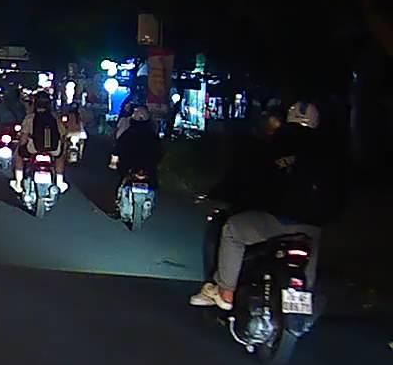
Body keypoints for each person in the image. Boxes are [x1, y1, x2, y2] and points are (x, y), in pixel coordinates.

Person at [189, 100, 343, 311]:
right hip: (314, 226)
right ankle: (304, 297)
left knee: (233, 231)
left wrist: (220, 194)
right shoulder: (329, 152)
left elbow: (248, 177)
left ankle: (225, 291)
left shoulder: (277, 143)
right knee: (311, 247)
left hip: (277, 221)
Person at [12, 91, 68, 193]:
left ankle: (18, 183)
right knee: (60, 157)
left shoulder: (30, 117)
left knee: (18, 156)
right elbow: (63, 134)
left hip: (33, 148)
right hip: (53, 149)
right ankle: (60, 182)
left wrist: (21, 147)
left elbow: (23, 138)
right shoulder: (55, 117)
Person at [109, 105, 163, 189]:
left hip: (130, 168)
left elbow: (118, 149)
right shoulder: (152, 136)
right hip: (143, 169)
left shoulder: (128, 134)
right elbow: (159, 152)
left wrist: (114, 162)